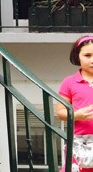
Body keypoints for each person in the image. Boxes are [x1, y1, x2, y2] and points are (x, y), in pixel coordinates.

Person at [57, 36, 93, 172]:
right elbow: (60, 112)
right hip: (79, 140)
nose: (92, 60)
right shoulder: (69, 82)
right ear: (78, 56)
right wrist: (76, 115)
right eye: (87, 55)